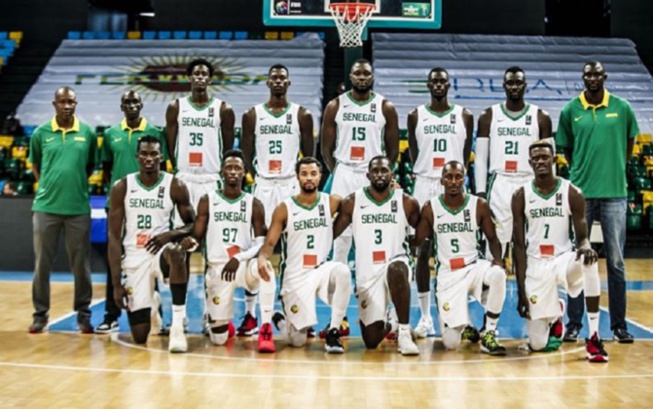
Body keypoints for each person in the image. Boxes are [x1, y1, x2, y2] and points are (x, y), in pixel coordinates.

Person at [556, 61, 639, 344]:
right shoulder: (570, 110)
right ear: (583, 78)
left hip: (615, 191)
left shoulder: (622, 107)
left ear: (605, 76)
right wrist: (581, 170)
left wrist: (614, 167)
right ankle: (574, 324)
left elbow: (629, 145)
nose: (592, 78)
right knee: (577, 259)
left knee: (615, 262)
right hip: (580, 194)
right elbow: (565, 147)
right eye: (587, 74)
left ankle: (619, 326)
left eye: (597, 74)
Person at [512, 142, 608, 362]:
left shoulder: (572, 192)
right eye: (535, 159)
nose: (540, 162)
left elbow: (582, 237)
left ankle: (593, 336)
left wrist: (585, 246)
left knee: (589, 261)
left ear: (554, 160)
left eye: (544, 157)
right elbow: (518, 246)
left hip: (563, 259)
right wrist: (520, 291)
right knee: (537, 345)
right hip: (536, 264)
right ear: (530, 164)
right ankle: (556, 315)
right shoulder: (521, 196)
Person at [239, 64, 314, 336]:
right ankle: (250, 315)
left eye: (283, 77)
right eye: (274, 78)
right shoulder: (252, 115)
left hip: (289, 186)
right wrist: (254, 178)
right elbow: (245, 154)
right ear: (268, 83)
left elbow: (309, 158)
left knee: (294, 252)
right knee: (258, 247)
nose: (278, 82)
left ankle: (296, 311)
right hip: (263, 185)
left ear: (289, 83)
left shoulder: (301, 115)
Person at [180, 150, 277, 352]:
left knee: (265, 267)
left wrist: (239, 258)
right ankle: (220, 318)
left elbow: (262, 243)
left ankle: (265, 327)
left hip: (242, 265)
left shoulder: (254, 204)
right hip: (218, 268)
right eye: (229, 167)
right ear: (222, 171)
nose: (233, 172)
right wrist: (190, 242)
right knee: (219, 339)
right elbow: (197, 236)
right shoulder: (208, 200)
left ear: (244, 173)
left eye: (237, 168)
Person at [108, 136, 195, 352]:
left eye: (154, 153)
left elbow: (194, 224)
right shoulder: (122, 187)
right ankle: (151, 305)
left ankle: (176, 327)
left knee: (176, 252)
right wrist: (116, 284)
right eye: (144, 154)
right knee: (139, 337)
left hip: (160, 253)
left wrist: (170, 235)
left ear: (161, 157)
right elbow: (114, 237)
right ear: (137, 157)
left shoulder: (174, 185)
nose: (149, 158)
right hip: (134, 258)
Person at [257, 157, 351, 354]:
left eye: (313, 174)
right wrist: (263, 257)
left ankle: (334, 331)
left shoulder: (332, 202)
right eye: (304, 174)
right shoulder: (284, 208)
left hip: (320, 270)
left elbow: (359, 203)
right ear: (297, 177)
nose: (309, 178)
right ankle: (281, 320)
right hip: (295, 277)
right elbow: (270, 243)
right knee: (296, 341)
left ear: (320, 177)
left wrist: (392, 189)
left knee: (342, 271)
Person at [414, 161, 507, 355]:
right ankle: (465, 327)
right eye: (449, 177)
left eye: (458, 177)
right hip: (448, 275)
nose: (454, 181)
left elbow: (492, 238)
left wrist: (497, 260)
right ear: (442, 181)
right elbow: (417, 241)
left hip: (473, 267)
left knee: (498, 275)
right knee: (450, 344)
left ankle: (489, 333)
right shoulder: (430, 208)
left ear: (464, 179)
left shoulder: (478, 205)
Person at [407, 67, 474, 339]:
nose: (438, 85)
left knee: (459, 252)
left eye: (442, 81)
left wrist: (454, 180)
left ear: (449, 85)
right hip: (425, 182)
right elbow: (413, 154)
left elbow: (466, 155)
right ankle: (425, 318)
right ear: (428, 85)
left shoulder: (464, 115)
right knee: (423, 250)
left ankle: (459, 316)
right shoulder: (415, 116)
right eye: (434, 81)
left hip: (454, 184)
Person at [96, 90, 168, 334]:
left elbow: (164, 169)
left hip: (149, 206)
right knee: (114, 259)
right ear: (121, 106)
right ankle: (110, 315)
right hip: (118, 207)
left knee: (152, 258)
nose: (131, 105)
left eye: (135, 101)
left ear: (141, 104)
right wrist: (119, 194)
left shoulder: (155, 134)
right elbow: (107, 170)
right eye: (127, 102)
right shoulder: (110, 134)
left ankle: (156, 317)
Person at [333, 156, 420, 356]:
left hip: (396, 263)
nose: (380, 175)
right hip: (368, 273)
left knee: (397, 269)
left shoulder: (406, 201)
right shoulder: (353, 201)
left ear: (392, 174)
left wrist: (417, 249)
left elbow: (424, 231)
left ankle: (405, 334)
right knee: (371, 341)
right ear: (368, 175)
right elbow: (332, 233)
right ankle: (394, 324)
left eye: (384, 170)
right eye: (375, 171)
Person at [28, 86, 97, 334]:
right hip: (46, 208)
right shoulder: (40, 133)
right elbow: (36, 165)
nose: (67, 106)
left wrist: (73, 184)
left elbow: (89, 166)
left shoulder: (87, 132)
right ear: (54, 104)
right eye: (62, 102)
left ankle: (84, 315)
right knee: (42, 265)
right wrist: (48, 185)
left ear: (76, 104)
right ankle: (40, 315)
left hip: (78, 208)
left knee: (81, 265)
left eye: (71, 102)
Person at [321, 58, 400, 268]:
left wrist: (381, 175)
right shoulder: (335, 105)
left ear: (372, 77)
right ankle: (337, 279)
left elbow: (392, 150)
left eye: (366, 74)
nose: (362, 78)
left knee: (373, 229)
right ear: (350, 77)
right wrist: (338, 171)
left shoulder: (385, 106)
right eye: (358, 74)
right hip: (345, 171)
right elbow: (325, 148)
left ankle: (373, 279)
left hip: (371, 174)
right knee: (341, 233)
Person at [474, 66, 552, 262]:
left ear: (525, 86)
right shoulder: (488, 116)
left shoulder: (540, 116)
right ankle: (491, 289)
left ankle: (529, 290)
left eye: (518, 82)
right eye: (510, 82)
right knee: (495, 241)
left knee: (531, 241)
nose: (514, 86)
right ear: (504, 86)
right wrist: (481, 193)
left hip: (529, 181)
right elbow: (481, 159)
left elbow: (550, 159)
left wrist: (549, 189)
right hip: (500, 182)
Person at [165, 58, 235, 222]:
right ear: (189, 78)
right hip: (184, 177)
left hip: (211, 178)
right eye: (196, 73)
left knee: (212, 232)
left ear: (210, 79)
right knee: (181, 233)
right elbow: (170, 143)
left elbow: (228, 148)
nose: (200, 77)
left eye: (204, 74)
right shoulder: (176, 107)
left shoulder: (223, 109)